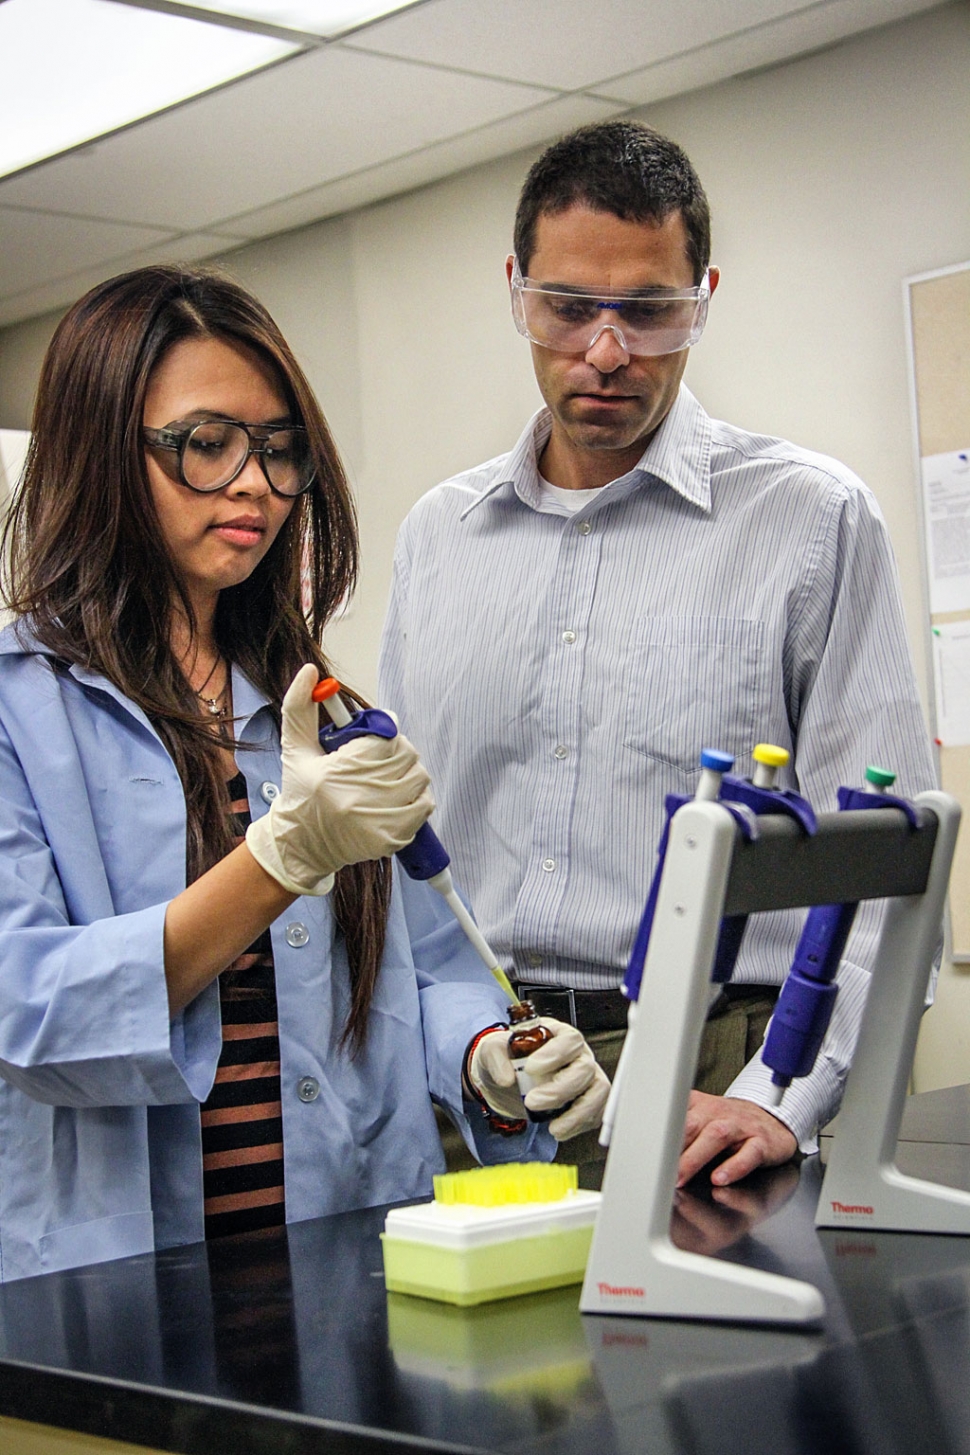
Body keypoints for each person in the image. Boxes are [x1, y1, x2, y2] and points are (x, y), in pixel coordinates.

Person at [0, 265, 608, 1283]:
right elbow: (33, 1013)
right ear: (101, 451)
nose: (255, 483)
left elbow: (429, 972)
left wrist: (495, 1062)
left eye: (281, 452)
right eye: (206, 444)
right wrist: (278, 858)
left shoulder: (316, 713)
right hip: (111, 1286)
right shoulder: (19, 713)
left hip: (341, 1261)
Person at [379, 121, 937, 1188]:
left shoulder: (809, 520)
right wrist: (452, 1046)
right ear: (515, 291)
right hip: (489, 1076)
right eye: (567, 307)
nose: (604, 350)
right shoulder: (436, 538)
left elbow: (887, 858)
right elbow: (404, 855)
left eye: (648, 312)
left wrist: (778, 1096)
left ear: (703, 300)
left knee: (703, 1358)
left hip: (717, 1078)